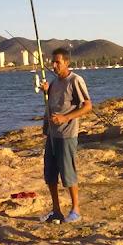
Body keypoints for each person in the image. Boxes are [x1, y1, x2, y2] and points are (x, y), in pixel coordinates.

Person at [40, 47, 92, 223]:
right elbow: (51, 106)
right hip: (52, 136)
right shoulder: (54, 83)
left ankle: (75, 210)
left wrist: (65, 117)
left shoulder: (75, 80)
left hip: (67, 135)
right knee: (50, 174)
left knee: (68, 173)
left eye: (58, 62)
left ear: (67, 63)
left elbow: (87, 106)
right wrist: (46, 124)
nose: (54, 65)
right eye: (52, 62)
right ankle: (56, 211)